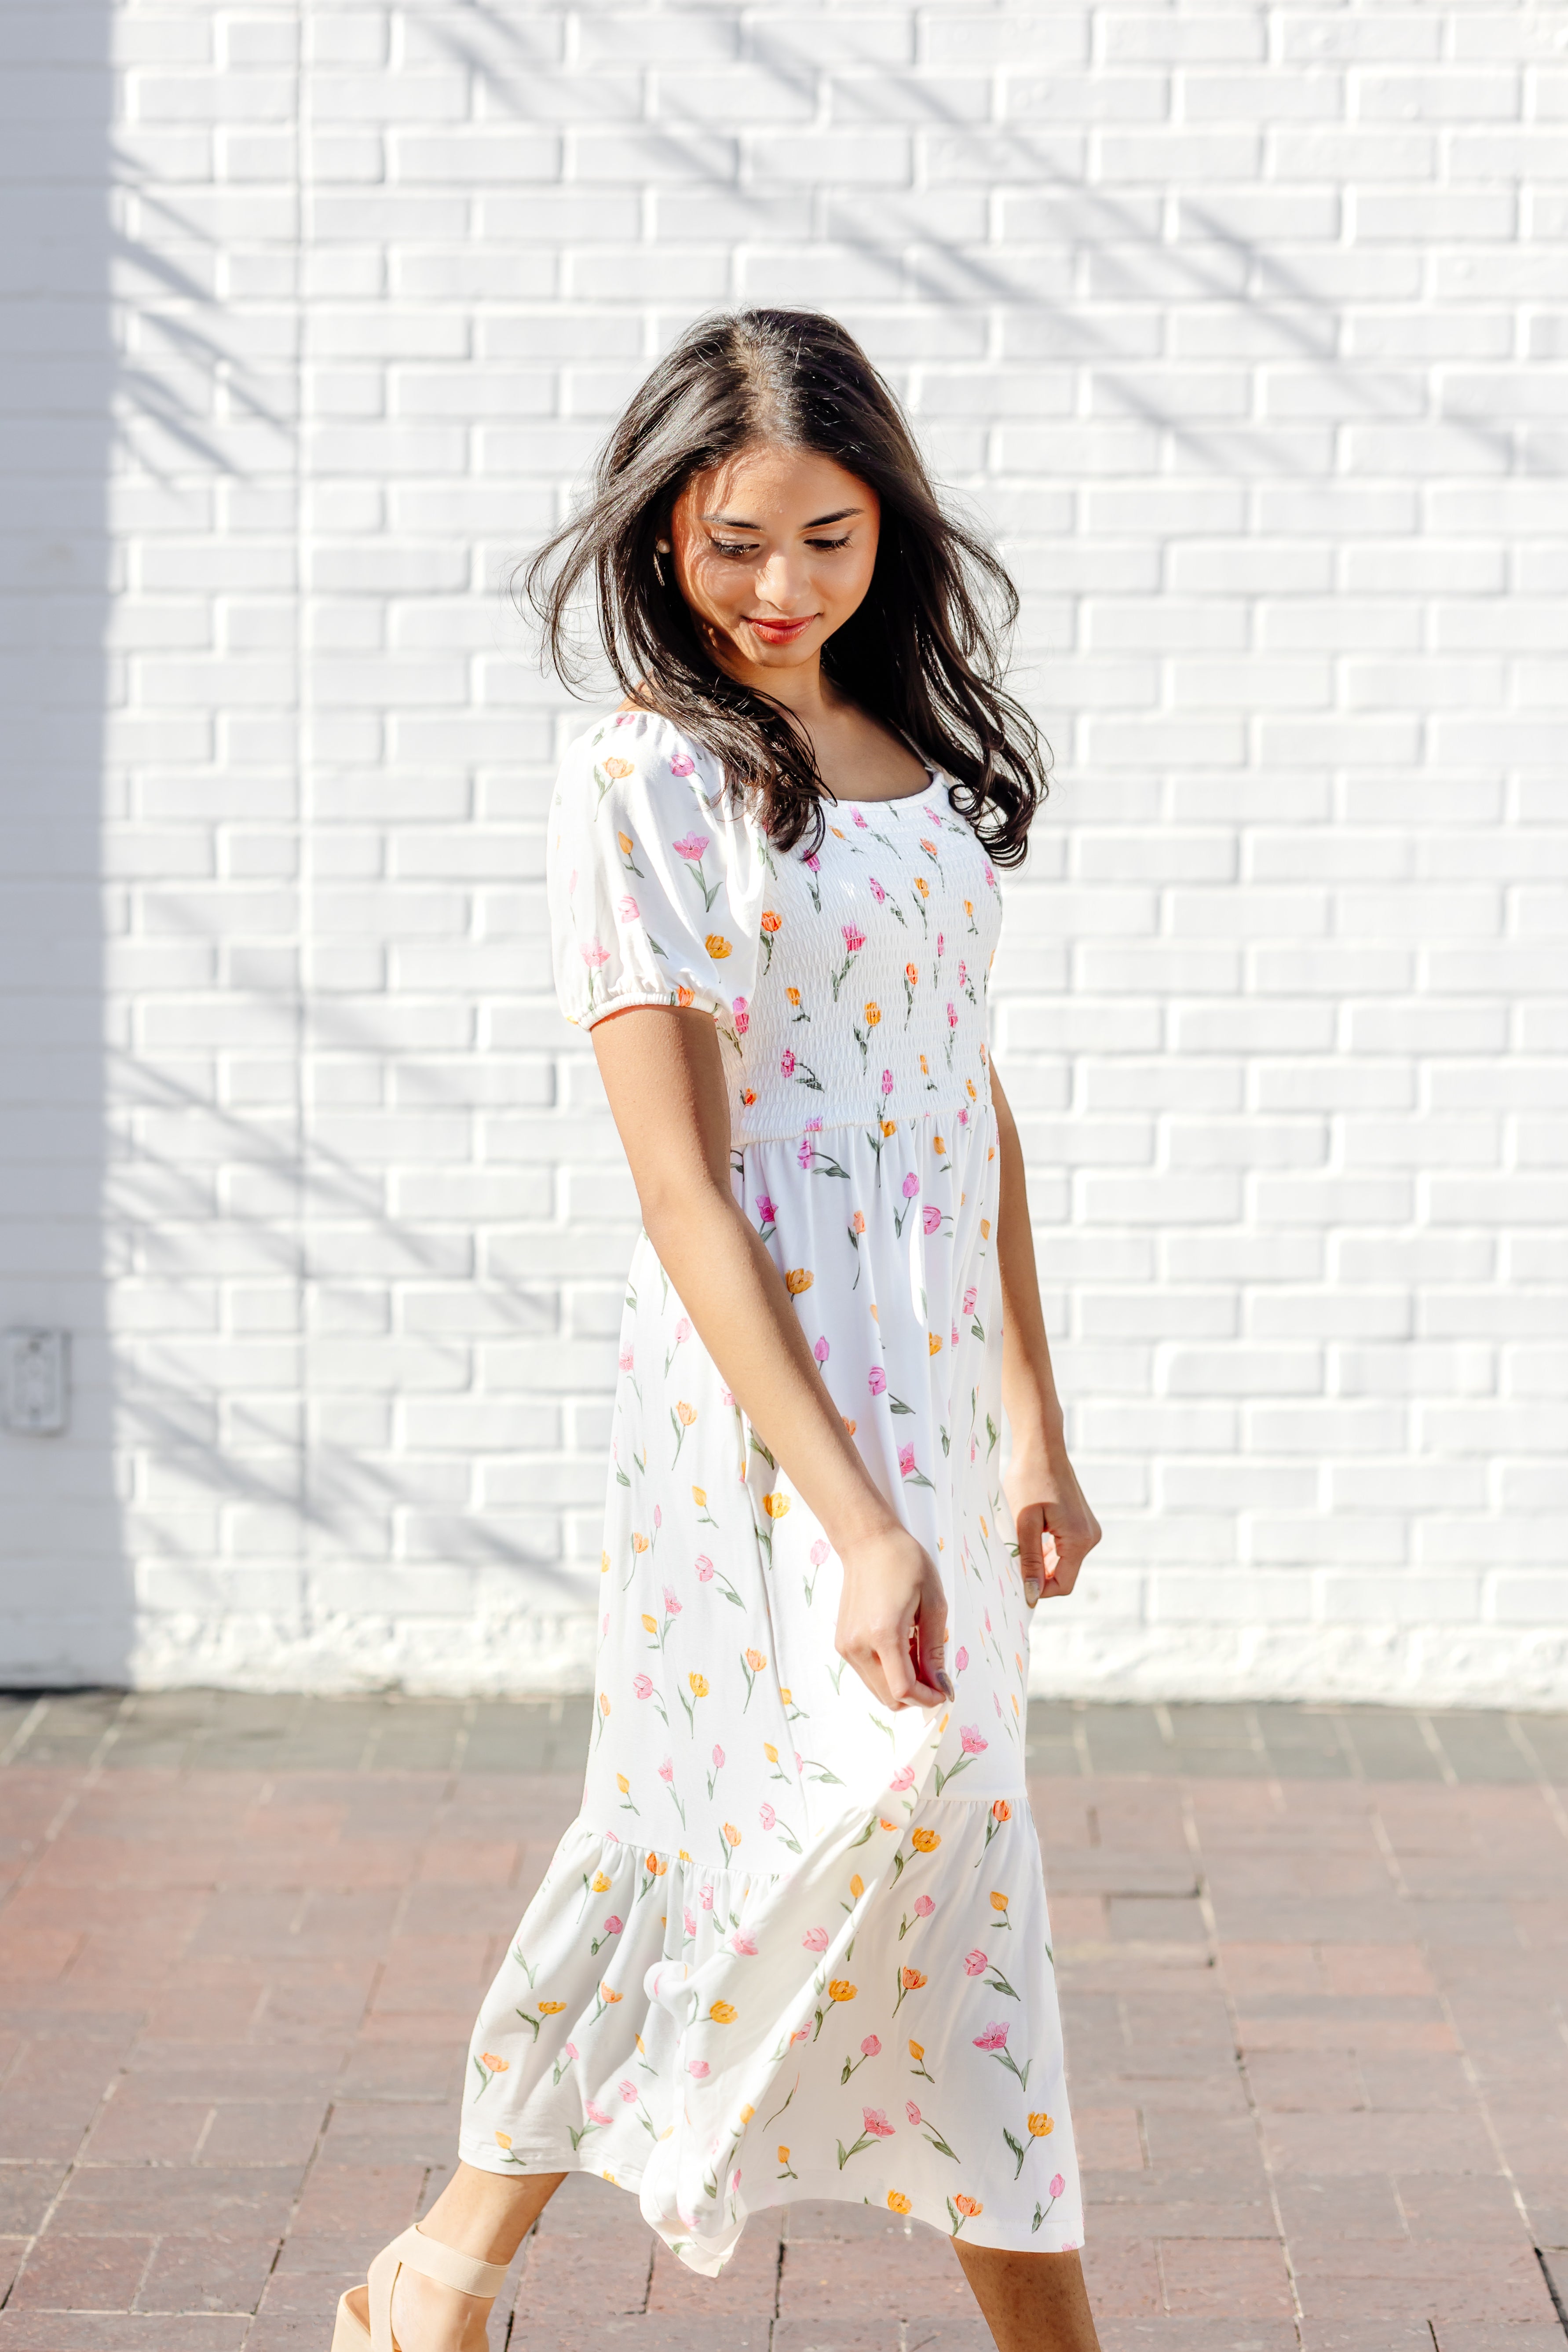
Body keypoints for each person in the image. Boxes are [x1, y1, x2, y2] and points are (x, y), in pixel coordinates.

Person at [333, 308, 1103, 2352]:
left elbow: (968, 1099)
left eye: (831, 538)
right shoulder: (647, 773)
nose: (783, 588)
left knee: (934, 1830)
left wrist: (1032, 1424)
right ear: (665, 528)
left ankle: (438, 2276)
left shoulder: (924, 768)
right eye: (738, 541)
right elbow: (681, 1185)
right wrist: (852, 1516)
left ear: (890, 528)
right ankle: (445, 2267)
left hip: (930, 1396)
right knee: (774, 1814)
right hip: (760, 1410)